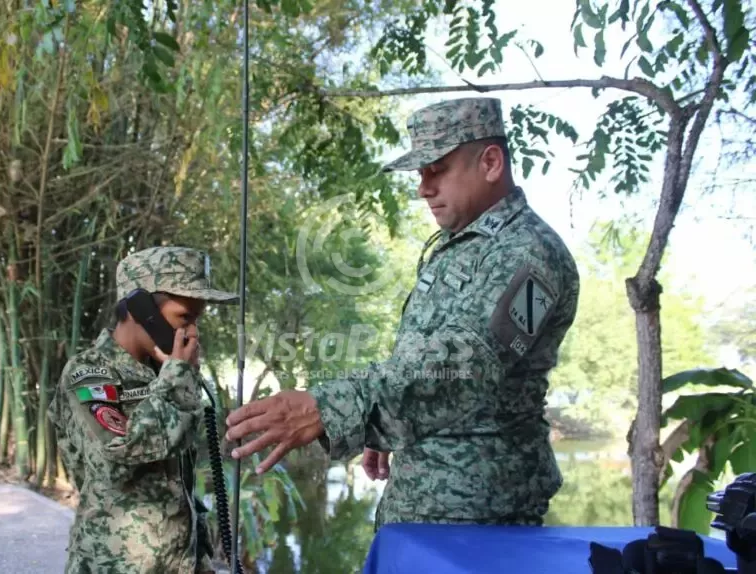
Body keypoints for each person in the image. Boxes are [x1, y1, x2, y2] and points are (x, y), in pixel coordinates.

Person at [224, 97, 580, 529]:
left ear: (490, 163)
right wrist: (387, 424)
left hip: (480, 516)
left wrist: (336, 407)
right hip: (423, 503)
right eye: (420, 174)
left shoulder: (529, 253)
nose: (423, 189)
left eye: (437, 170)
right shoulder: (460, 244)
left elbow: (467, 365)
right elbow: (425, 354)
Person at [48, 246, 238, 573]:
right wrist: (177, 377)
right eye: (185, 318)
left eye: (197, 320)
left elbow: (176, 476)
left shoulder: (164, 371)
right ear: (141, 309)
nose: (193, 332)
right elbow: (120, 453)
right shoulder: (88, 372)